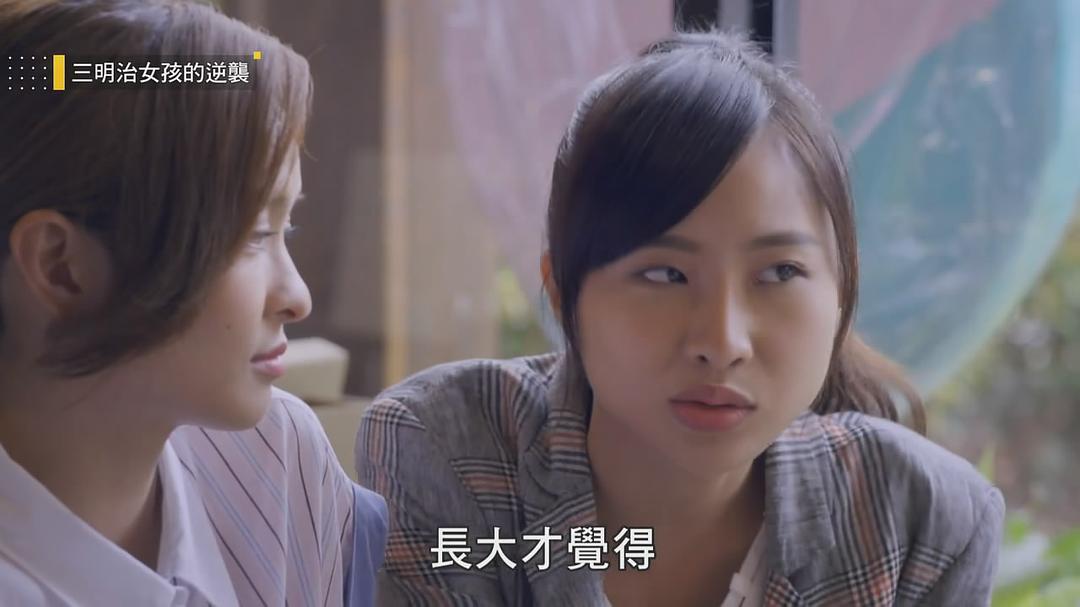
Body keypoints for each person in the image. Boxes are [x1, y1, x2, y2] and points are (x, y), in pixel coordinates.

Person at [356, 31, 1004, 606]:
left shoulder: (923, 522)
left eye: (780, 272)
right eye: (665, 274)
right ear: (561, 292)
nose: (722, 342)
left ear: (842, 290)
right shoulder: (453, 446)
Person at [0, 1, 386, 605]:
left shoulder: (277, 455)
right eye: (253, 233)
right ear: (61, 266)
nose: (297, 298)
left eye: (287, 227)